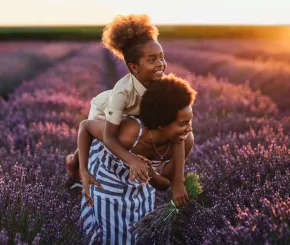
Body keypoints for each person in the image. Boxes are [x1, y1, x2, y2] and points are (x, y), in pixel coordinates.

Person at [65, 13, 189, 207]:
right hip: (109, 111)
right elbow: (108, 137)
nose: (160, 64)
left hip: (136, 117)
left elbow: (179, 134)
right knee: (93, 146)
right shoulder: (121, 93)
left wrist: (178, 182)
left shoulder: (165, 85)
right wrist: (132, 160)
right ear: (134, 67)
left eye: (162, 58)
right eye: (152, 60)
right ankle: (73, 165)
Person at [79, 73, 197, 245]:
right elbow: (86, 127)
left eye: (190, 121)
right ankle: (72, 166)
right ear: (161, 123)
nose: (189, 129)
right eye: (182, 124)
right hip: (106, 179)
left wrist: (151, 173)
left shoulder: (185, 141)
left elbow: (163, 184)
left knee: (138, 237)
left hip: (140, 190)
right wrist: (83, 170)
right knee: (107, 238)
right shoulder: (129, 133)